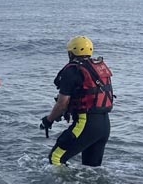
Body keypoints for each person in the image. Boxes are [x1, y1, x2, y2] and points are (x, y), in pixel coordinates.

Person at [40, 36, 114, 167]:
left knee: (56, 158)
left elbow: (62, 103)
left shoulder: (73, 70)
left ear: (71, 53)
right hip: (105, 125)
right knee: (91, 168)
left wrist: (49, 120)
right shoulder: (97, 68)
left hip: (86, 124)